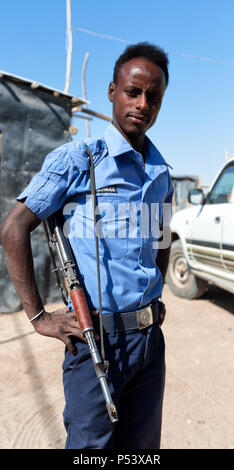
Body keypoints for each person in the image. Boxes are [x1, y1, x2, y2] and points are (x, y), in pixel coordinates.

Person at [0, 42, 174, 449]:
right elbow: (13, 229)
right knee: (90, 451)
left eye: (154, 97)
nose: (142, 103)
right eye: (133, 92)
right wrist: (38, 317)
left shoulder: (161, 171)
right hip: (96, 340)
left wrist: (158, 291)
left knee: (143, 450)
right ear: (112, 91)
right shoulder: (79, 160)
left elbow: (162, 237)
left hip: (150, 344)